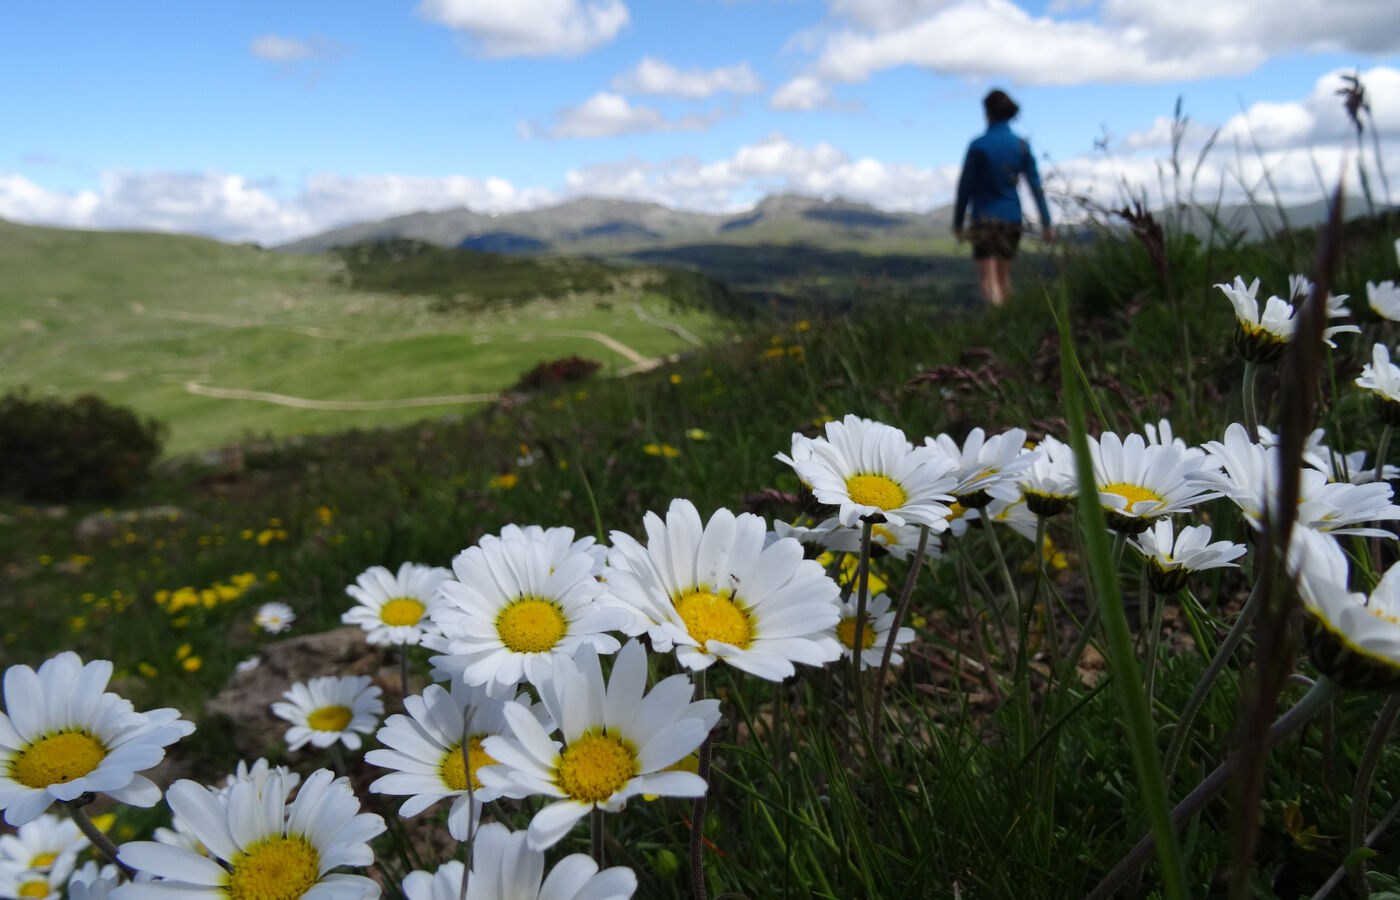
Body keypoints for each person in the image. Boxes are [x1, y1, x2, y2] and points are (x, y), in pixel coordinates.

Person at [953, 89, 1054, 307]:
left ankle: (997, 323)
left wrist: (958, 221)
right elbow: (1036, 187)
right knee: (1003, 276)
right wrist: (1047, 222)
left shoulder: (978, 145)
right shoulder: (1020, 145)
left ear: (987, 112)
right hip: (1012, 218)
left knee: (988, 278)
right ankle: (1007, 321)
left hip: (984, 218)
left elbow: (965, 187)